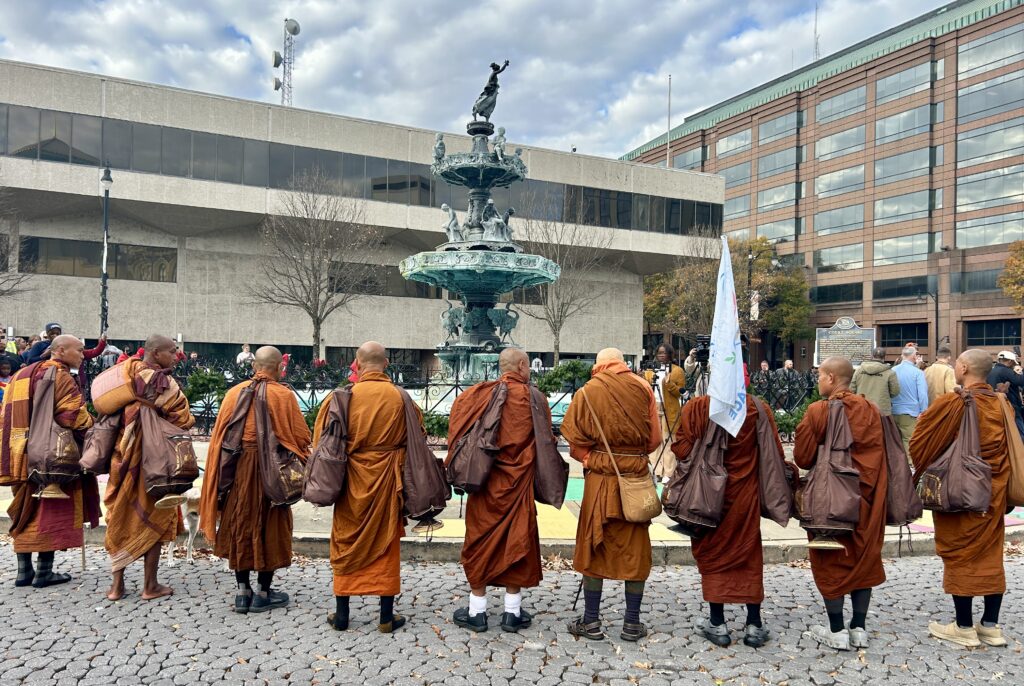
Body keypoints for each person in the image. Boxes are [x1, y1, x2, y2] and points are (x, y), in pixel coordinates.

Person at [314, 341, 420, 633]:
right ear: (386, 364)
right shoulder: (401, 397)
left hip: (349, 479)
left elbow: (321, 441)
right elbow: (418, 438)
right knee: (386, 543)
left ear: (357, 365)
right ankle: (386, 616)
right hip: (387, 479)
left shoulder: (341, 396)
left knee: (345, 539)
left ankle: (342, 614)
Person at [448, 348, 555, 633]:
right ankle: (512, 611)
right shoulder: (535, 398)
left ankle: (477, 610)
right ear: (522, 365)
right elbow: (547, 443)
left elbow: (456, 430)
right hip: (518, 483)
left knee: (478, 540)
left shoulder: (477, 394)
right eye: (528, 366)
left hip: (484, 482)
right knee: (518, 541)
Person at [200, 346, 311, 614]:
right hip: (271, 473)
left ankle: (242, 593)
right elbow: (301, 438)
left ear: (253, 367)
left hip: (237, 471)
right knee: (270, 524)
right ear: (279, 368)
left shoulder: (232, 394)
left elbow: (219, 437)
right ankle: (262, 592)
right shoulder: (283, 396)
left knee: (239, 521)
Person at [671, 392, 788, 648]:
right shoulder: (758, 407)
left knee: (714, 553)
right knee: (748, 556)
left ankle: (717, 622)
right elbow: (774, 452)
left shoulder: (699, 406)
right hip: (745, 496)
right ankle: (754, 624)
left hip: (707, 498)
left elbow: (681, 449)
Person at [910, 350, 1010, 648]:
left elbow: (919, 443)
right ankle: (990, 626)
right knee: (991, 555)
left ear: (964, 368)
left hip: (960, 489)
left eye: (957, 364)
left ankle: (964, 626)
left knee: (959, 553)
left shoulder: (953, 402)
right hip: (994, 491)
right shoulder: (1002, 404)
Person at [560, 347, 660, 641]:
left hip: (601, 480)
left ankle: (590, 621)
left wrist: (591, 459)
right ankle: (631, 623)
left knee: (594, 544)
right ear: (623, 364)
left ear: (600, 366)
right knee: (636, 550)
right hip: (636, 482)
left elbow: (573, 439)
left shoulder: (589, 391)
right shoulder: (642, 386)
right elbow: (654, 439)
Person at [795, 357, 888, 651]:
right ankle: (858, 628)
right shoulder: (871, 410)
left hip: (833, 499)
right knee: (864, 557)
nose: (818, 380)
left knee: (831, 559)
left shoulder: (819, 410)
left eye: (820, 375)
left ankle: (836, 630)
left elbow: (803, 457)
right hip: (868, 497)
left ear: (832, 378)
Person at [0, 335, 97, 588]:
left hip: (19, 452)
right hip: (52, 457)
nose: (82, 355)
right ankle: (44, 572)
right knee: (49, 511)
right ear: (60, 351)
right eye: (79, 350)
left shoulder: (21, 374)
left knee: (23, 509)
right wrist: (94, 429)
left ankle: (24, 572)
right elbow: (72, 417)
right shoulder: (60, 375)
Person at [103, 335, 195, 601]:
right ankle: (150, 585)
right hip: (152, 460)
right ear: (156, 353)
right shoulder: (162, 381)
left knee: (119, 513)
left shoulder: (125, 371)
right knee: (154, 514)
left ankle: (116, 587)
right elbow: (183, 417)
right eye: (172, 351)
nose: (177, 356)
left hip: (122, 454)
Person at [642, 343, 685, 482]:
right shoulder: (650, 371)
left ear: (670, 354)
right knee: (655, 440)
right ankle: (655, 470)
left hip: (670, 410)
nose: (661, 355)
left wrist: (669, 384)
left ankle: (668, 472)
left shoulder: (677, 371)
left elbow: (680, 393)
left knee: (668, 440)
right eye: (659, 353)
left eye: (663, 353)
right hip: (654, 407)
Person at [891, 346, 929, 452]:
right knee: (909, 441)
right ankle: (910, 466)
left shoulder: (892, 370)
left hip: (893, 410)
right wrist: (923, 411)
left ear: (902, 356)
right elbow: (922, 394)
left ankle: (896, 466)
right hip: (911, 412)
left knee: (894, 441)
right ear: (914, 357)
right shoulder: (918, 373)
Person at [850, 348, 901, 416]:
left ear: (872, 356)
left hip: (861, 407)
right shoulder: (890, 373)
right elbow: (895, 392)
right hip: (881, 410)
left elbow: (851, 389)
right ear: (884, 357)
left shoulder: (859, 370)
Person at [986, 351, 1024, 441]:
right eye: (1013, 363)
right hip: (1011, 405)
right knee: (1020, 432)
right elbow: (1020, 381)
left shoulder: (991, 371)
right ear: (1010, 361)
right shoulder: (1005, 371)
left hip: (996, 405)